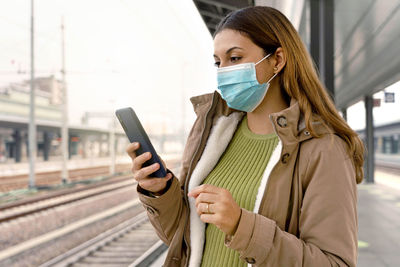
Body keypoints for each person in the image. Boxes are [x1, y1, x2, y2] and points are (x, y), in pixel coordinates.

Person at [126, 6, 364, 267]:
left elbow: (335, 263)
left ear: (277, 60)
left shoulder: (323, 148)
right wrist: (161, 192)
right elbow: (183, 239)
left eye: (235, 58)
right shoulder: (212, 134)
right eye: (218, 62)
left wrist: (241, 225)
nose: (223, 71)